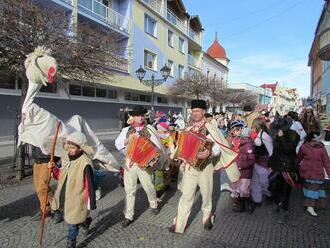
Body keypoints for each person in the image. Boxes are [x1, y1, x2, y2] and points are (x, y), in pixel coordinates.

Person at [169, 99, 239, 234]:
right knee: (186, 195)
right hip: (190, 168)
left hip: (206, 168)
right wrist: (177, 155)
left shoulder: (210, 128)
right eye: (193, 111)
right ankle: (179, 224)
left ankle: (207, 216)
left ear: (203, 112)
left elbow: (219, 145)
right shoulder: (188, 129)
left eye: (197, 111)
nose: (195, 113)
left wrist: (210, 152)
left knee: (206, 195)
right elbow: (182, 146)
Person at [115, 106, 166, 228]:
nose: (141, 118)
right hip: (130, 162)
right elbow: (117, 144)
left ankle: (153, 204)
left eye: (142, 115)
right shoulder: (126, 130)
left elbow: (157, 147)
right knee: (129, 190)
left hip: (144, 163)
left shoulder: (149, 129)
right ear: (133, 117)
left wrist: (154, 158)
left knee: (148, 186)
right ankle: (128, 215)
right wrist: (128, 140)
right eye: (138, 115)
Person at [51, 132, 96, 248]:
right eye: (69, 147)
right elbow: (61, 175)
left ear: (80, 148)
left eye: (73, 148)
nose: (70, 150)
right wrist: (53, 169)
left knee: (72, 223)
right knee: (77, 219)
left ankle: (71, 243)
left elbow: (90, 184)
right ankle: (85, 221)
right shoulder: (68, 158)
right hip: (66, 196)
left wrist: (91, 201)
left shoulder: (85, 163)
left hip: (77, 198)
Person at [268, 116, 300, 217]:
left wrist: (281, 137)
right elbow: (275, 151)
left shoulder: (293, 134)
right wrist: (270, 163)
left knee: (286, 189)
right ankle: (279, 203)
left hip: (287, 167)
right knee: (276, 186)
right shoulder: (277, 133)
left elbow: (288, 149)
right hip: (278, 165)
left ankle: (284, 207)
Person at [297, 132, 330, 216]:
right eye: (318, 139)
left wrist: (329, 172)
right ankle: (312, 204)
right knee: (310, 188)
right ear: (313, 139)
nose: (320, 140)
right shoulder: (304, 147)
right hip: (306, 172)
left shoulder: (322, 148)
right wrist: (295, 167)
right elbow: (299, 158)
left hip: (317, 172)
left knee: (314, 188)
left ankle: (310, 206)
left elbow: (326, 162)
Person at [226, 121, 256, 213]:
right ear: (232, 132)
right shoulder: (231, 142)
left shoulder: (247, 142)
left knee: (245, 189)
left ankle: (248, 204)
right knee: (236, 188)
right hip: (235, 171)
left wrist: (241, 166)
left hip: (245, 170)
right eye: (235, 130)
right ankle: (239, 204)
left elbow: (252, 159)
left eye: (239, 129)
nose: (238, 131)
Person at [31, 146, 60, 220]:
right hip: (37, 158)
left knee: (42, 187)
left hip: (47, 159)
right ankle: (46, 209)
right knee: (38, 187)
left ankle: (56, 209)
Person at [250, 118, 273, 205]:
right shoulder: (259, 134)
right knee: (256, 181)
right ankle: (257, 200)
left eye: (253, 126)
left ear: (257, 126)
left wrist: (271, 165)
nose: (252, 128)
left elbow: (271, 151)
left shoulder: (264, 136)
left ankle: (268, 195)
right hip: (257, 162)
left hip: (264, 163)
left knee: (264, 181)